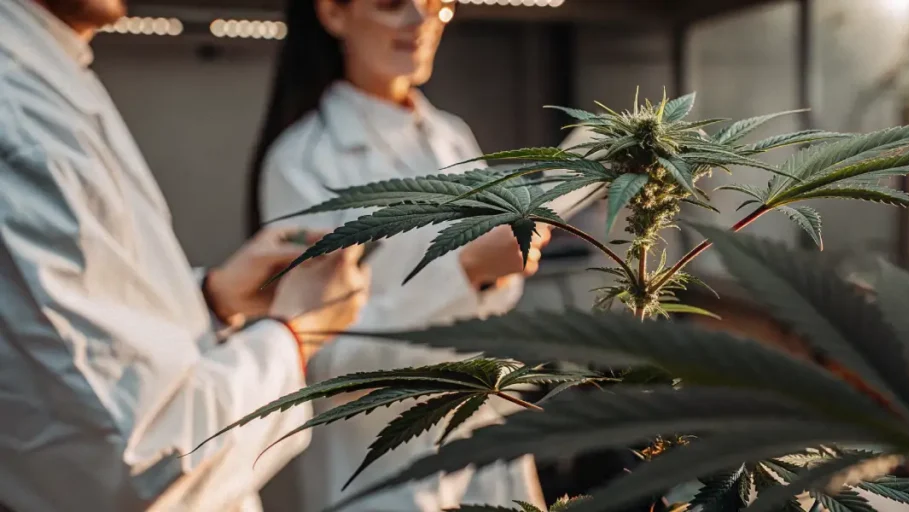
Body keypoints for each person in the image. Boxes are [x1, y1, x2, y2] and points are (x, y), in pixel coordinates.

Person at [0, 0, 371, 510]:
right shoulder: (15, 106)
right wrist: (295, 335)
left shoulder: (54, 66)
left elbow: (84, 325)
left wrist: (211, 298)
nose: (418, 23)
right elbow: (137, 466)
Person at [250, 0, 551, 510]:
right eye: (392, 4)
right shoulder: (302, 162)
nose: (420, 21)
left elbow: (489, 308)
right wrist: (466, 270)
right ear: (333, 13)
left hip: (484, 445)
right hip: (383, 470)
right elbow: (323, 357)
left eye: (438, 5)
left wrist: (500, 269)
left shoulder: (451, 137)